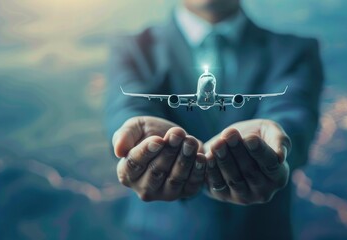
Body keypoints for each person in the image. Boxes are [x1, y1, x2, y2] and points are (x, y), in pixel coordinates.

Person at [106, 0, 324, 239]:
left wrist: (274, 143)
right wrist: (138, 138)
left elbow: (293, 113)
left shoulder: (295, 50)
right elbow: (127, 107)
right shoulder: (132, 48)